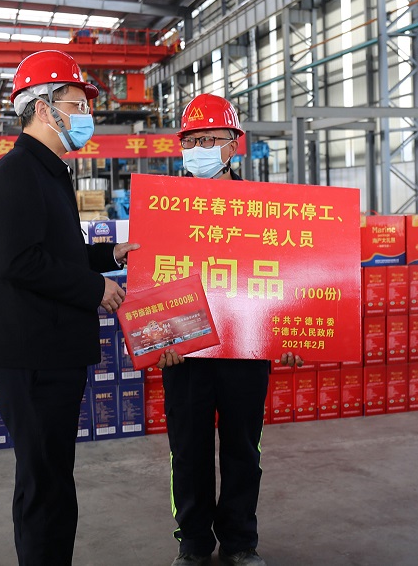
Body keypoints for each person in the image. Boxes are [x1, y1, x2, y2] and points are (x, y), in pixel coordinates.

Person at [0, 49, 138, 566]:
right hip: (35, 361)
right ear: (43, 107)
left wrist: (109, 254)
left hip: (54, 355)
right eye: (76, 103)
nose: (85, 115)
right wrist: (93, 288)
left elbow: (57, 251)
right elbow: (20, 262)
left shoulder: (49, 172)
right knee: (43, 486)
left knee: (54, 481)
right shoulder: (16, 172)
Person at [159, 93, 302, 566]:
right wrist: (158, 337)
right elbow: (152, 279)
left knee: (243, 448)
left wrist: (290, 334)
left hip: (246, 347)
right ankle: (193, 542)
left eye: (211, 139)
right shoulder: (162, 207)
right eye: (192, 140)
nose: (199, 148)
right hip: (186, 351)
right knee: (188, 450)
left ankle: (240, 541)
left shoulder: (264, 208)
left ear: (233, 145)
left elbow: (285, 276)